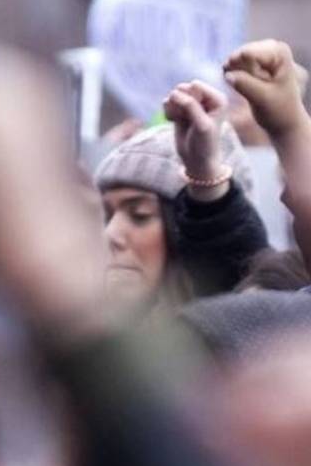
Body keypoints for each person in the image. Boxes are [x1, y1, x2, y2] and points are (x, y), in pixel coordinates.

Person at [94, 80, 269, 316]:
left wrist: (204, 175)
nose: (110, 235)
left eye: (139, 215)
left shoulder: (237, 339)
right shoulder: (76, 340)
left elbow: (227, 252)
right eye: (106, 216)